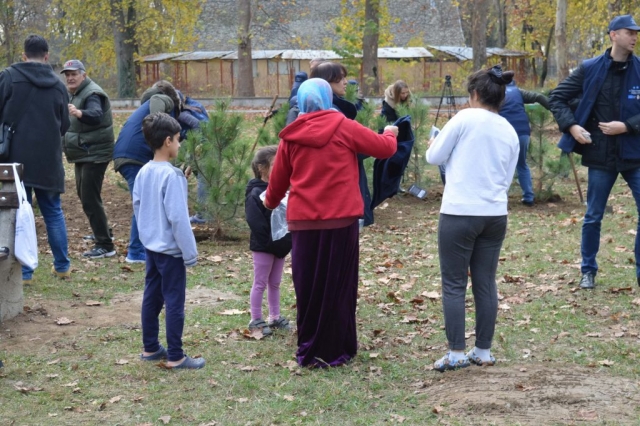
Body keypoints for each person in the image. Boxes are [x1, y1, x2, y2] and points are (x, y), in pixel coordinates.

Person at [264, 78, 398, 367]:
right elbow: (383, 149)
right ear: (328, 99)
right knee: (338, 284)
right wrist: (390, 132)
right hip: (341, 222)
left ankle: (310, 348)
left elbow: (277, 181)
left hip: (303, 223)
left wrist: (270, 203)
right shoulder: (345, 127)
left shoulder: (291, 136)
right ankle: (338, 348)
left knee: (308, 285)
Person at [426, 65, 519, 371]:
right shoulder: (508, 129)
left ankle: (455, 352)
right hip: (494, 214)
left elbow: (434, 157)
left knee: (453, 283)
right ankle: (483, 350)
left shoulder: (464, 118)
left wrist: (434, 145)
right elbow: (506, 178)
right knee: (485, 282)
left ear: (475, 94)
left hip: (459, 212)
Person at [549, 15, 640, 290]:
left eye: (636, 33)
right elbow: (557, 98)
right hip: (600, 156)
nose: (635, 37)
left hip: (634, 154)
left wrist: (627, 126)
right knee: (593, 216)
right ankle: (588, 270)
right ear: (613, 35)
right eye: (629, 32)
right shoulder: (590, 68)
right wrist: (572, 125)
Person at [134, 112, 204, 370]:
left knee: (151, 297)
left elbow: (139, 206)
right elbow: (178, 218)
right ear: (167, 141)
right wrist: (190, 253)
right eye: (177, 139)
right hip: (171, 252)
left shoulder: (144, 171)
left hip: (151, 248)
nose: (179, 144)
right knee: (174, 301)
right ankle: (176, 355)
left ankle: (150, 347)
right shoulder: (172, 176)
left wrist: (147, 236)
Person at [0, 35, 70, 283]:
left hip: (16, 161)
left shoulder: (8, 77)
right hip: (49, 160)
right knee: (53, 212)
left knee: (19, 213)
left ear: (23, 55)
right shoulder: (59, 85)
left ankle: (26, 272)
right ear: (47, 56)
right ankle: (62, 266)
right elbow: (65, 125)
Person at [113, 80, 198, 263]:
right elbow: (176, 215)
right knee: (144, 205)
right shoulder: (163, 99)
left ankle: (144, 248)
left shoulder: (143, 107)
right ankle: (137, 252)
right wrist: (159, 125)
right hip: (134, 155)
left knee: (144, 202)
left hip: (125, 153)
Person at [60, 59, 116, 259]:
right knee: (86, 196)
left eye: (74, 74)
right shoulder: (76, 93)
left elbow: (96, 115)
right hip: (84, 152)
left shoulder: (92, 93)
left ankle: (105, 245)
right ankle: (103, 232)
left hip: (95, 153)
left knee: (90, 198)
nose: (70, 78)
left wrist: (79, 112)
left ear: (83, 74)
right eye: (67, 75)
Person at [245, 145, 292, 336]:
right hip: (264, 247)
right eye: (276, 164)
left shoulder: (283, 191)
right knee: (260, 282)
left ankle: (274, 316)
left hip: (280, 246)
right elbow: (255, 222)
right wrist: (272, 244)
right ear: (262, 168)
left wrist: (284, 243)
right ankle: (255, 318)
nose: (281, 167)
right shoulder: (255, 193)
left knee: (275, 283)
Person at [499, 81, 549, 206]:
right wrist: (555, 107)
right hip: (522, 131)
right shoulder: (518, 91)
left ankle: (500, 197)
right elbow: (538, 97)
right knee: (522, 164)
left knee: (501, 165)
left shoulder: (494, 92)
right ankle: (528, 197)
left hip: (504, 132)